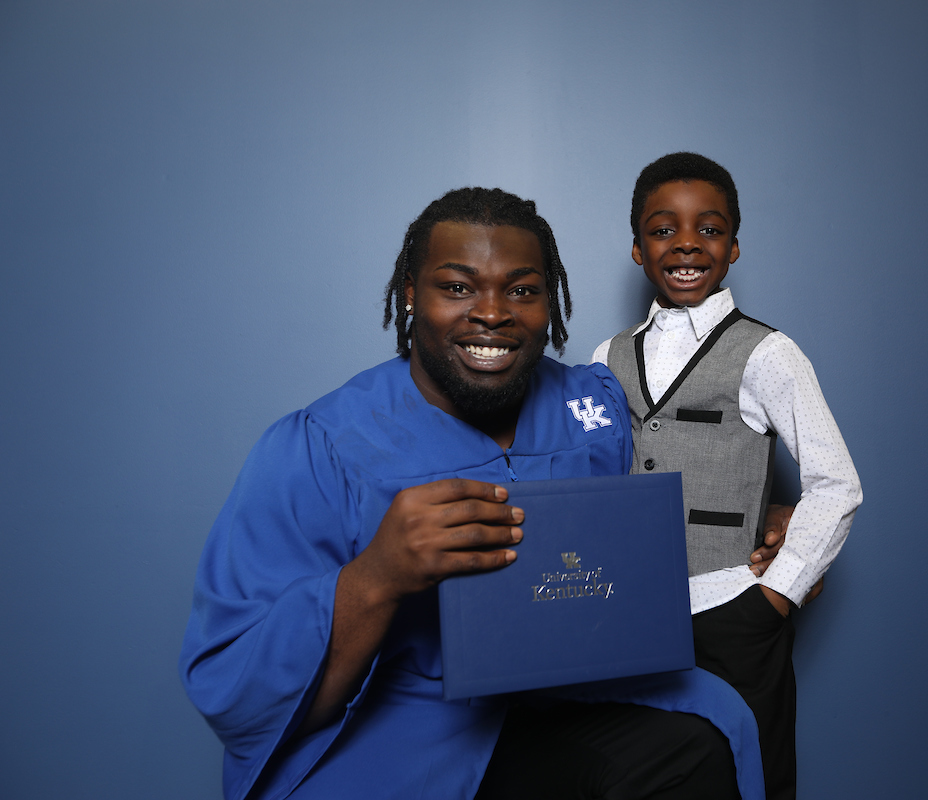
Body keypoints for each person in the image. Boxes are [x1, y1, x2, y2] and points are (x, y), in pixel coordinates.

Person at [180, 187, 780, 800]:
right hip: (410, 726)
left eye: (522, 289)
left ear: (549, 301)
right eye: (458, 287)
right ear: (411, 293)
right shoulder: (324, 445)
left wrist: (768, 515)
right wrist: (377, 576)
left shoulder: (587, 407)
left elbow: (653, 504)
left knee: (698, 742)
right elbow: (235, 693)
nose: (493, 313)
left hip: (569, 693)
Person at [592, 153, 864, 800]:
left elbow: (837, 482)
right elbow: (594, 479)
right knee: (639, 776)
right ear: (636, 248)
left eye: (708, 229)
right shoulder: (607, 355)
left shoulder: (768, 353)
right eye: (663, 229)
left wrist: (776, 596)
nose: (687, 243)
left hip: (732, 612)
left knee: (749, 777)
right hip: (631, 618)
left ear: (734, 246)